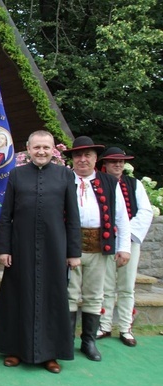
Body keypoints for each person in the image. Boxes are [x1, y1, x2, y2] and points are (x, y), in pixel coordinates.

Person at [0, 131, 81, 373]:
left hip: (54, 248)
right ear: (28, 149)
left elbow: (72, 217)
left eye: (46, 147)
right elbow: (6, 215)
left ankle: (51, 353)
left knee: (53, 297)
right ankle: (15, 349)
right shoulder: (17, 175)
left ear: (53, 150)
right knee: (18, 295)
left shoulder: (65, 175)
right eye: (37, 147)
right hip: (21, 247)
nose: (41, 151)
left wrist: (73, 252)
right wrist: (4, 248)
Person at [63, 136, 131, 362]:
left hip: (99, 248)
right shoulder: (63, 179)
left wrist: (124, 247)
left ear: (95, 158)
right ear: (72, 159)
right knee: (69, 295)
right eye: (78, 155)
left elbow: (121, 216)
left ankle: (88, 341)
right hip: (69, 248)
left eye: (88, 155)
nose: (83, 160)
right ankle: (66, 341)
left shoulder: (109, 182)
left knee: (94, 295)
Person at [96, 147, 153, 346]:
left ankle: (125, 327)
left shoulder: (134, 184)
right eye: (113, 161)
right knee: (107, 286)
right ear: (105, 164)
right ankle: (104, 326)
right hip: (106, 241)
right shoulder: (99, 184)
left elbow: (145, 212)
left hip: (128, 241)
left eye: (121, 161)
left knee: (127, 286)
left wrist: (125, 234)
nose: (118, 165)